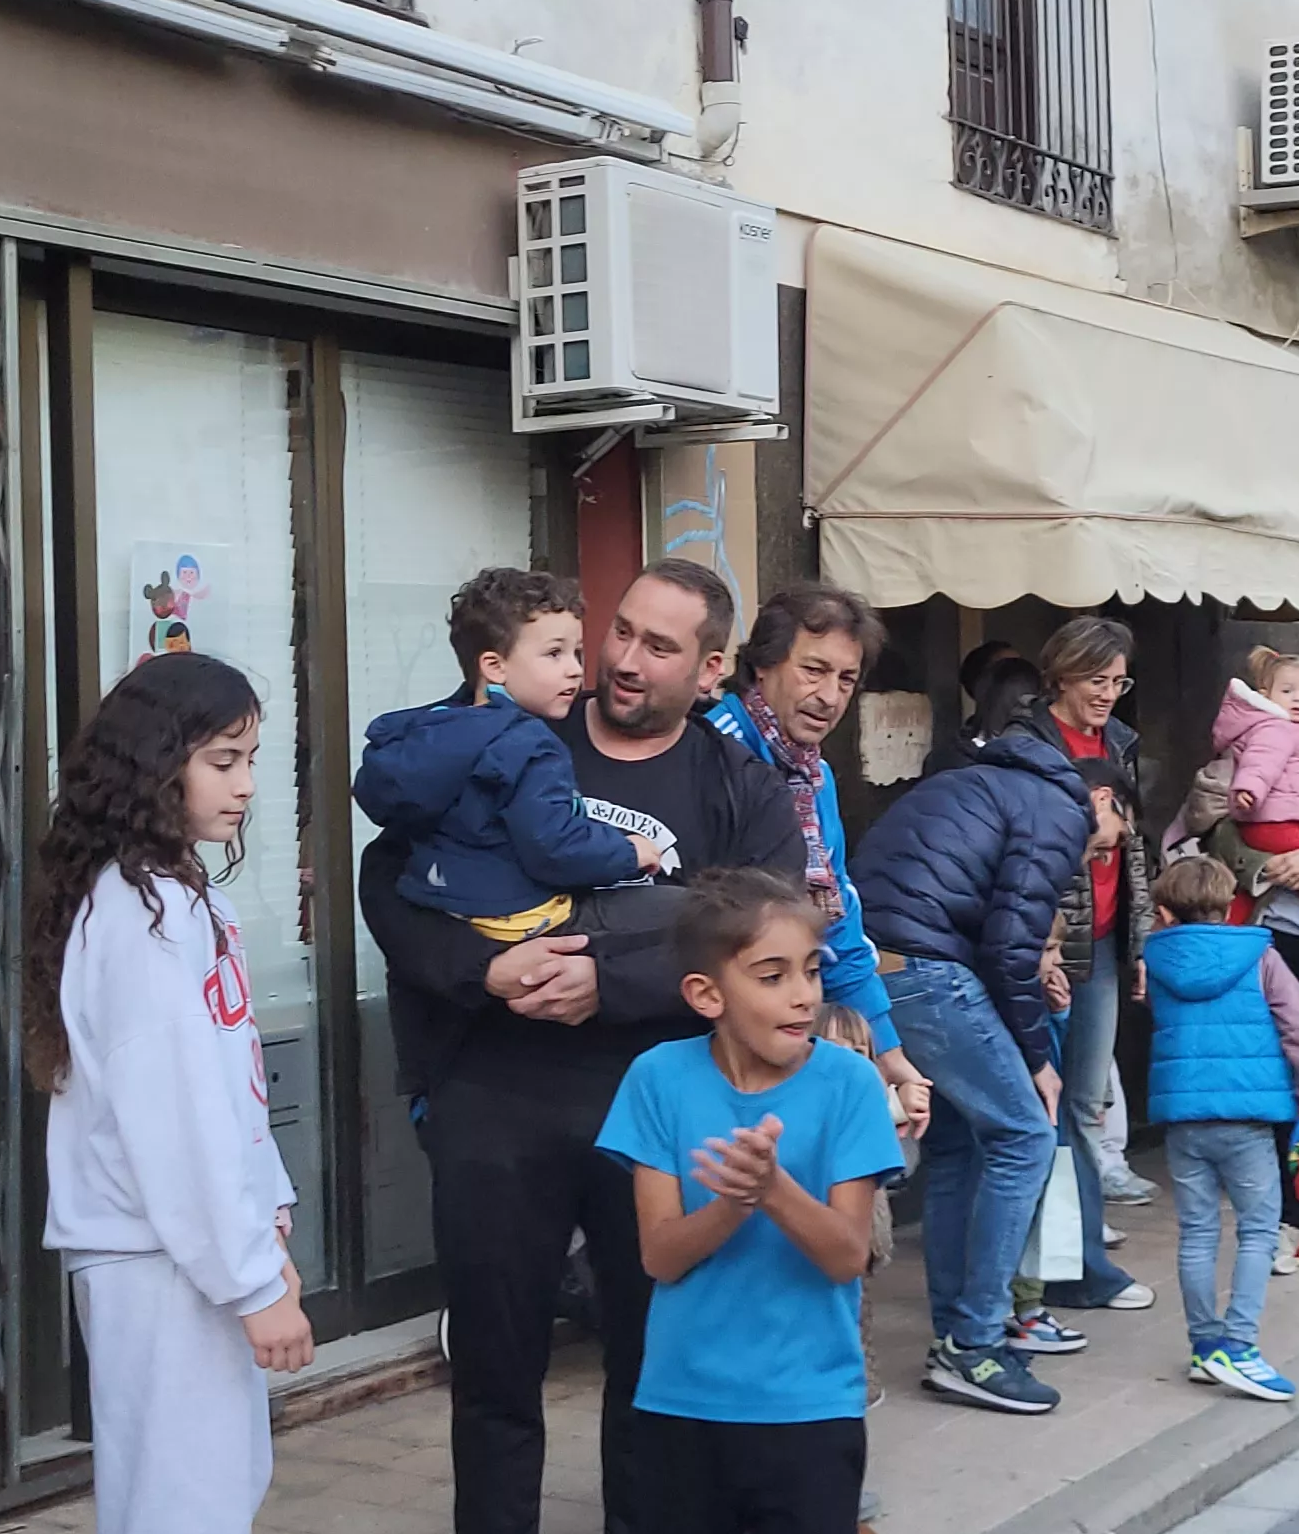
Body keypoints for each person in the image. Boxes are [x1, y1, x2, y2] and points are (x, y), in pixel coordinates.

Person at [355, 561, 801, 1534]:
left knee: (657, 1364)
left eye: (661, 646)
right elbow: (389, 878)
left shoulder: (736, 784)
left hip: (655, 1100)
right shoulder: (510, 724)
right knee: (499, 1370)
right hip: (494, 1094)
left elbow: (762, 928)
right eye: (617, 631)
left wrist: (609, 975)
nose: (621, 658)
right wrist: (483, 969)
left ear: (711, 670)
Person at [27, 654, 311, 1534]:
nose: (244, 783)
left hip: (183, 1250)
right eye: (223, 758)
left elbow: (223, 1096)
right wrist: (252, 1276)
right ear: (159, 767)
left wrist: (269, 1231)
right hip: (160, 1260)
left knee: (201, 1500)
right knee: (175, 1526)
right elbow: (175, 1119)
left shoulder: (165, 892)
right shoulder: (136, 909)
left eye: (248, 756)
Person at [597, 872, 903, 1534]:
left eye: (809, 969)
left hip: (808, 1414)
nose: (802, 994)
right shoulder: (657, 1078)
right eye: (770, 974)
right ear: (706, 993)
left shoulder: (848, 1083)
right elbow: (658, 1255)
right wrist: (729, 1201)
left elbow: (847, 1252)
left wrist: (771, 1187)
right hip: (680, 1412)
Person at [854, 683, 1094, 1413]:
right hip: (931, 970)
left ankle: (958, 1331)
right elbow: (1016, 942)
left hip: (876, 966)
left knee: (959, 1146)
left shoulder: (971, 780)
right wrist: (1038, 1060)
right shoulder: (1060, 810)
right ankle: (976, 1344)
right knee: (1024, 1133)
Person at [701, 584, 934, 1127]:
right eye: (813, 670)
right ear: (762, 665)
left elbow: (839, 917)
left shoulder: (814, 772)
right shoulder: (713, 752)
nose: (829, 695)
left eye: (846, 679)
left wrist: (890, 1053)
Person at [356, 570, 680, 956]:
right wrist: (629, 853)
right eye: (554, 654)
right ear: (495, 667)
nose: (576, 669)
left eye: (577, 652)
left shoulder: (430, 729)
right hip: (521, 918)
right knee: (687, 914)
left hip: (445, 908)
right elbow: (555, 849)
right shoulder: (529, 743)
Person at [1140, 856, 1299, 1402]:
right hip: (1247, 1116)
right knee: (1259, 1231)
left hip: (1184, 1119)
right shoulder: (1261, 955)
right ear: (1227, 902)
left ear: (1166, 911)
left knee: (1196, 1231)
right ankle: (1240, 1347)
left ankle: (1204, 1347)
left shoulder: (1156, 959)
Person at [1022, 620, 1158, 1226]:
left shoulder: (1119, 742)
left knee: (1087, 1093)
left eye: (1118, 682)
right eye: (1096, 680)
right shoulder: (1028, 741)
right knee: (1037, 1089)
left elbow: (1136, 850)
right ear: (1062, 674)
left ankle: (1083, 1222)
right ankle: (1043, 1221)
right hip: (1043, 936)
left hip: (1104, 934)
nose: (1107, 694)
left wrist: (1142, 941)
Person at [1211, 646, 1299, 988]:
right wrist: (1248, 792)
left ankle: (1224, 936)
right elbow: (1260, 764)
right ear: (1266, 695)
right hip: (1271, 820)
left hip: (1278, 821)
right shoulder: (1276, 729)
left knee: (1247, 893)